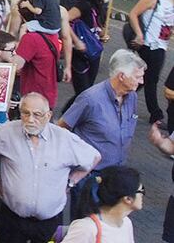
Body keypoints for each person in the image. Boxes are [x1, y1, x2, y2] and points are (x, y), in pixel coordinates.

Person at [0, 93, 100, 243]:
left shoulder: (63, 138)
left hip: (48, 223)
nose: (30, 119)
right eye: (25, 113)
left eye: (37, 114)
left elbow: (94, 157)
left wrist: (71, 182)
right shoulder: (6, 132)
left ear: (48, 115)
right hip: (12, 219)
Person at [58, 50, 146, 217]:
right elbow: (62, 128)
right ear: (121, 76)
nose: (142, 81)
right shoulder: (90, 99)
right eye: (137, 76)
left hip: (116, 176)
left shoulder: (132, 97)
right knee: (86, 224)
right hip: (90, 179)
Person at [125, 0, 174, 123]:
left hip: (161, 44)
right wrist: (139, 34)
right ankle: (156, 114)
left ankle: (123, 94)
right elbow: (133, 13)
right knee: (151, 78)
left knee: (146, 77)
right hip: (150, 44)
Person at [60, 165, 140, 243]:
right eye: (141, 191)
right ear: (128, 199)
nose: (143, 195)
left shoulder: (126, 223)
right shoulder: (86, 228)